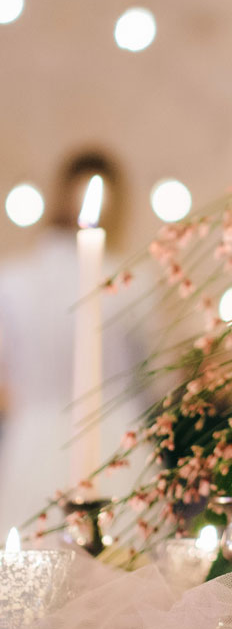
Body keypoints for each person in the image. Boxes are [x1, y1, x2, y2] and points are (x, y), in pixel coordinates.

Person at [0, 149, 151, 532]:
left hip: (31, 447)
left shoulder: (11, 280)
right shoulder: (134, 281)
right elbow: (152, 379)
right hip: (116, 445)